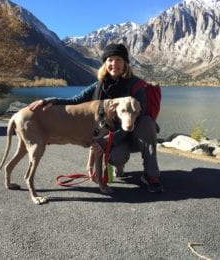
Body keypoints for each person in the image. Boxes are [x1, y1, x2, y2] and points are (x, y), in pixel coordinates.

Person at [28, 43, 163, 193]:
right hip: (112, 138)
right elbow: (75, 100)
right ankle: (118, 165)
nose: (114, 64)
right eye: (110, 60)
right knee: (118, 156)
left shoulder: (137, 86)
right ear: (105, 63)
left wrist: (106, 142)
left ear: (125, 63)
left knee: (146, 122)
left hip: (134, 136)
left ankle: (151, 176)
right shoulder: (99, 86)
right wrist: (49, 100)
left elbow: (137, 119)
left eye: (119, 59)